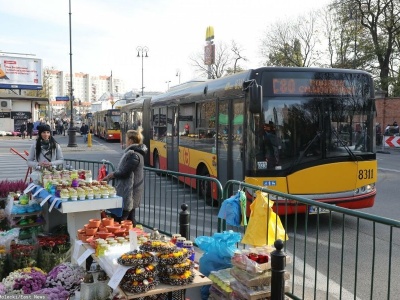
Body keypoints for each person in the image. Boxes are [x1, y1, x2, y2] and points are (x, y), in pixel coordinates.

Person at [103, 129, 148, 226]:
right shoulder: (135, 153)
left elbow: (125, 172)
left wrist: (112, 175)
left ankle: (126, 236)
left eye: (126, 139)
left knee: (123, 219)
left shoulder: (134, 155)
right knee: (130, 218)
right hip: (132, 190)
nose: (125, 141)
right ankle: (133, 236)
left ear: (131, 141)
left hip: (130, 192)